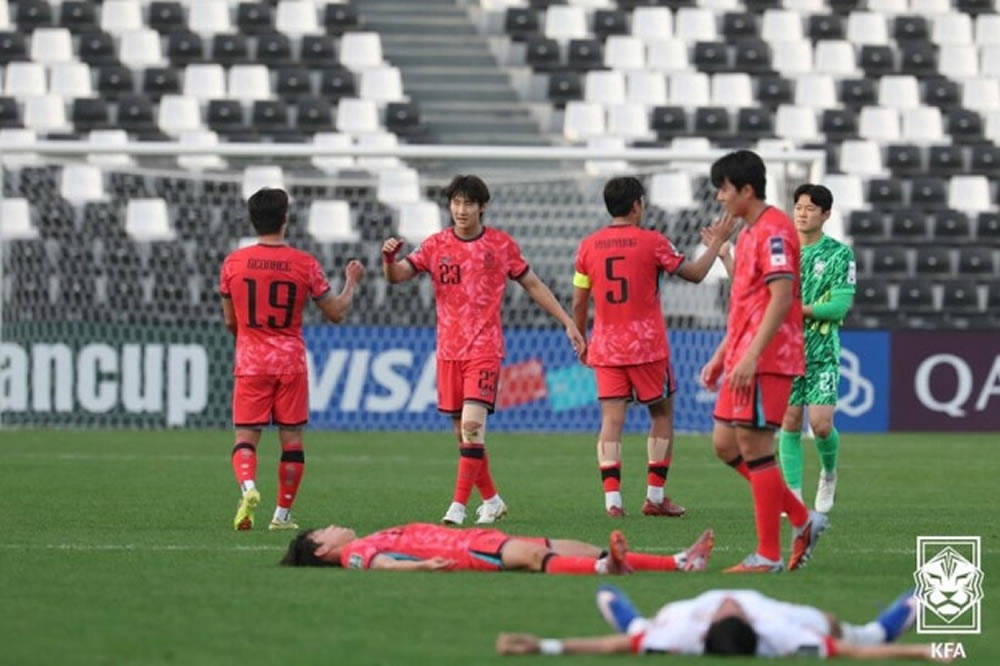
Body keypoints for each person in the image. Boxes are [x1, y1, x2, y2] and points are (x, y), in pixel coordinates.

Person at [381, 175, 586, 526]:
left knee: (473, 427)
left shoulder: (500, 245)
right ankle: (491, 500)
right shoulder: (435, 245)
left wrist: (567, 321)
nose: (461, 210)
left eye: (468, 203)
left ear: (482, 206)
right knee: (463, 435)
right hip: (448, 351)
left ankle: (457, 507)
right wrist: (388, 260)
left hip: (485, 348)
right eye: (456, 203)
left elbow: (533, 284)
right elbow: (398, 276)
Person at [572, 176, 737, 517]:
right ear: (637, 205)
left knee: (611, 420)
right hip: (646, 346)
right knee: (661, 414)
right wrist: (718, 244)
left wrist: (581, 336)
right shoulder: (652, 242)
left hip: (606, 346)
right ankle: (655, 497)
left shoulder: (588, 246)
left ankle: (613, 502)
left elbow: (578, 300)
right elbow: (695, 274)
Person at [698, 151, 825, 573]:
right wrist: (722, 355)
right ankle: (803, 519)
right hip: (742, 355)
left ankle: (768, 555)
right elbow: (747, 303)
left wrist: (752, 355)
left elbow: (782, 297)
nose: (719, 197)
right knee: (724, 444)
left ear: (746, 189)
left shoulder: (774, 230)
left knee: (755, 447)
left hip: (767, 358)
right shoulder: (751, 232)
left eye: (724, 188)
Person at [220, 187, 364, 531]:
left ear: (252, 219)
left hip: (251, 361)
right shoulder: (304, 263)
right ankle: (281, 515)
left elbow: (230, 321)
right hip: (290, 362)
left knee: (245, 437)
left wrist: (250, 340)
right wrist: (351, 282)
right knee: (292, 440)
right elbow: (336, 312)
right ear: (285, 219)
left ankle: (248, 488)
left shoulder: (233, 263)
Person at [496, 585, 948, 661]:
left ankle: (633, 621)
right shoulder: (779, 632)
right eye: (733, 608)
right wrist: (923, 650)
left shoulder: (683, 632)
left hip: (663, 623)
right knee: (847, 630)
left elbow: (610, 647)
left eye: (724, 609)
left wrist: (542, 646)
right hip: (790, 614)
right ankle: (889, 622)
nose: (728, 600)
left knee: (634, 629)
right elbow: (853, 653)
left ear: (708, 626)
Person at [777, 184, 855, 514]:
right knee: (790, 422)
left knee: (821, 425)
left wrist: (795, 309)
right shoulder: (780, 252)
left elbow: (838, 307)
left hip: (822, 352)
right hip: (785, 350)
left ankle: (829, 473)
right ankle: (793, 495)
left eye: (810, 208)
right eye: (798, 207)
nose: (802, 213)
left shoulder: (840, 254)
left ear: (826, 215)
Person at [280, 522, 714, 575]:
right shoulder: (354, 554)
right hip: (466, 553)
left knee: (571, 544)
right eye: (324, 532)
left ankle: (679, 562)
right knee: (536, 557)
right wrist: (422, 568)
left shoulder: (364, 539)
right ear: (320, 551)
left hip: (473, 537)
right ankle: (606, 570)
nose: (333, 527)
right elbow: (386, 566)